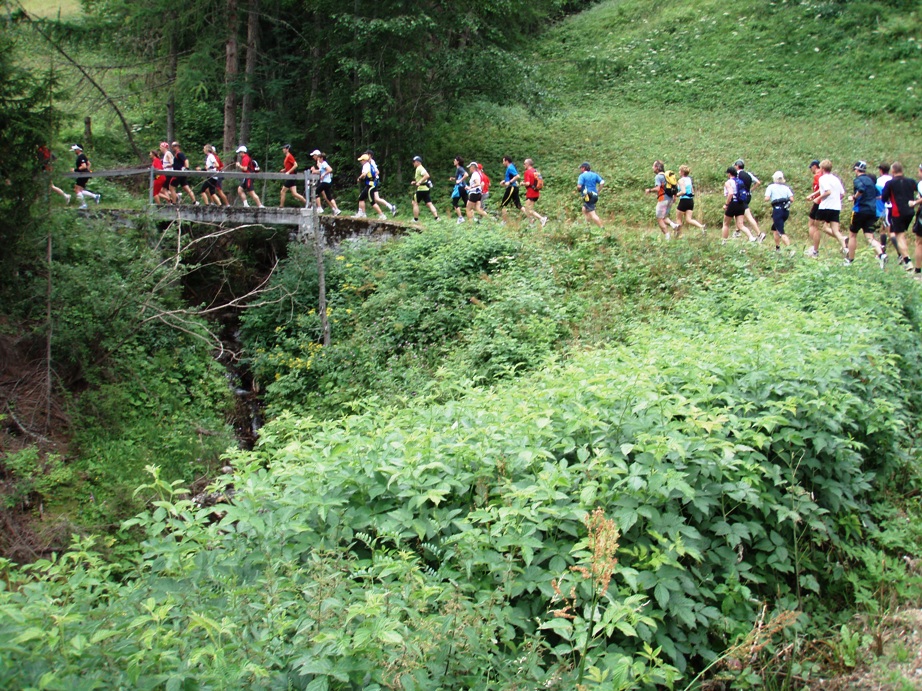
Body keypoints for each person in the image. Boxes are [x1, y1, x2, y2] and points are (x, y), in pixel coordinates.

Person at [845, 161, 887, 269]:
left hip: (859, 210)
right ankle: (881, 254)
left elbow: (861, 190)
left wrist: (854, 197)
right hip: (872, 211)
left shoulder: (858, 180)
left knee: (852, 235)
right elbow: (879, 195)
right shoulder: (870, 181)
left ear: (856, 170)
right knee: (869, 237)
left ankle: (850, 259)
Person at [879, 162, 918, 271]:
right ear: (902, 170)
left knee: (899, 236)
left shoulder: (890, 183)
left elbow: (884, 198)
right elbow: (918, 190)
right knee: (902, 234)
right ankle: (906, 259)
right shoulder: (911, 181)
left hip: (897, 212)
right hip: (910, 211)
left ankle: (907, 260)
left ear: (892, 171)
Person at [806, 160, 847, 257]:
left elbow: (827, 192)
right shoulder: (835, 179)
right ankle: (845, 248)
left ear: (822, 169)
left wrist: (817, 198)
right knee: (835, 230)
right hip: (836, 207)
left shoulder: (822, 178)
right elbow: (842, 194)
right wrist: (836, 200)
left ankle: (815, 251)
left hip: (825, 207)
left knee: (815, 227)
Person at [645, 160, 678, 238]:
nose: (652, 168)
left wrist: (649, 190)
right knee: (664, 217)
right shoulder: (667, 176)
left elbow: (657, 188)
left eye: (653, 166)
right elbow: (675, 186)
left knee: (659, 219)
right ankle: (674, 225)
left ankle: (667, 237)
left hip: (663, 199)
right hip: (670, 199)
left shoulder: (658, 177)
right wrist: (675, 196)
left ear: (657, 168)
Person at [721, 167, 755, 242]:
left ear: (729, 174)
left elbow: (730, 193)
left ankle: (724, 241)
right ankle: (751, 237)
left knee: (726, 223)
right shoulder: (740, 181)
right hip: (741, 204)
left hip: (733, 204)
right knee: (740, 225)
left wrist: (726, 204)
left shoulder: (728, 182)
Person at [734, 159, 764, 241]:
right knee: (739, 213)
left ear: (737, 166)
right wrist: (750, 190)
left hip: (740, 197)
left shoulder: (736, 174)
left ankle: (759, 234)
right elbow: (758, 182)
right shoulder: (748, 174)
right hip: (748, 196)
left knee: (747, 215)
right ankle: (737, 231)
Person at [764, 171, 794, 251]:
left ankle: (790, 249)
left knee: (781, 231)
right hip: (785, 211)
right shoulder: (786, 188)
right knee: (775, 228)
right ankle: (777, 248)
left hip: (777, 211)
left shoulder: (771, 187)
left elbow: (766, 198)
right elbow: (791, 199)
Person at [675, 165, 705, 235]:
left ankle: (679, 234)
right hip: (690, 201)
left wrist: (676, 195)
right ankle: (701, 226)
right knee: (689, 219)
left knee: (678, 218)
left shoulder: (681, 180)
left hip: (683, 200)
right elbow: (692, 191)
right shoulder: (689, 179)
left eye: (679, 171)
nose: (679, 172)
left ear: (682, 172)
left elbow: (683, 191)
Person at [365, 150, 397, 217]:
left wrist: (373, 177)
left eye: (366, 154)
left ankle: (382, 214)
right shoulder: (369, 162)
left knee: (372, 199)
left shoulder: (372, 162)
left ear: (370, 155)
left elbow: (377, 171)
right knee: (377, 198)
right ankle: (391, 207)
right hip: (374, 181)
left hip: (373, 182)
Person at [355, 153, 387, 219]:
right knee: (361, 198)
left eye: (361, 160)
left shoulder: (366, 166)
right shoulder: (370, 165)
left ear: (364, 160)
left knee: (372, 202)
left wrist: (359, 178)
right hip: (370, 185)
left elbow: (364, 174)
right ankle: (362, 214)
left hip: (370, 186)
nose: (360, 161)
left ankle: (382, 215)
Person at [310, 150, 341, 216]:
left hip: (325, 182)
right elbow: (320, 171)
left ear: (321, 158)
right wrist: (315, 171)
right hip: (327, 182)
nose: (318, 159)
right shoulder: (323, 164)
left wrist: (323, 174)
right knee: (329, 197)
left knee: (315, 192)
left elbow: (330, 169)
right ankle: (336, 209)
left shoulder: (324, 163)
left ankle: (318, 208)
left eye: (319, 158)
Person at [410, 156, 440, 222]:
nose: (413, 163)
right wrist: (415, 182)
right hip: (426, 189)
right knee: (429, 203)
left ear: (418, 162)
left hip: (421, 190)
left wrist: (419, 182)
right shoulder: (419, 168)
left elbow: (427, 175)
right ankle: (437, 218)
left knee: (414, 203)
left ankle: (415, 219)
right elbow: (422, 178)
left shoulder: (420, 168)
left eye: (414, 162)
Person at [576, 162, 605, 229]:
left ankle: (602, 228)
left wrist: (578, 189)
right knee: (584, 209)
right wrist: (598, 191)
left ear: (583, 168)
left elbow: (579, 186)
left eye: (581, 168)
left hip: (587, 195)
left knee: (592, 213)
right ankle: (587, 227)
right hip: (594, 195)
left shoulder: (582, 176)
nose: (580, 169)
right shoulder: (594, 175)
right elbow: (602, 182)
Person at [71, 144, 101, 209]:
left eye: (75, 149)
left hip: (83, 174)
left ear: (79, 150)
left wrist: (75, 170)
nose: (75, 151)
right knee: (80, 190)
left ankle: (84, 204)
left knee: (77, 190)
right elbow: (89, 163)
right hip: (85, 174)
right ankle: (95, 196)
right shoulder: (83, 156)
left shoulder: (81, 156)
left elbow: (84, 166)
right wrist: (87, 171)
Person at [522, 158, 548, 228]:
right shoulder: (535, 171)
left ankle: (541, 219)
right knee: (529, 209)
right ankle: (531, 223)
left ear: (528, 164)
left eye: (524, 164)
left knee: (528, 209)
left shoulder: (527, 172)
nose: (523, 165)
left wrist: (522, 183)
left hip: (531, 192)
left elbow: (527, 183)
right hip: (536, 192)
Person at [876, 162, 893, 254]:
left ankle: (883, 248)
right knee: (888, 227)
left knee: (885, 228)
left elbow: (880, 194)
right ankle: (883, 249)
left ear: (881, 170)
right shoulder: (892, 179)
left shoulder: (879, 180)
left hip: (884, 206)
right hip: (894, 206)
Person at [499, 156, 522, 222]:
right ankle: (531, 219)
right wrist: (505, 181)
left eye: (503, 161)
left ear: (507, 161)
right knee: (518, 206)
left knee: (503, 205)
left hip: (511, 188)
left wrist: (509, 182)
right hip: (513, 187)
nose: (503, 163)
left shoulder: (510, 167)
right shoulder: (510, 167)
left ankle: (504, 222)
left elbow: (517, 176)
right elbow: (511, 177)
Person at [449, 156, 468, 224]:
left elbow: (466, 175)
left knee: (454, 202)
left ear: (458, 162)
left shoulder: (459, 168)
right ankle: (472, 217)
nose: (453, 161)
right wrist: (454, 179)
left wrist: (459, 180)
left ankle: (460, 218)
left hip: (460, 188)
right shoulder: (459, 169)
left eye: (454, 160)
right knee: (467, 203)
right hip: (463, 187)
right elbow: (460, 177)